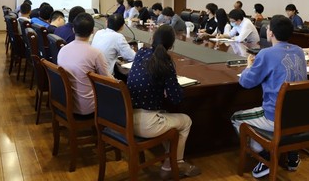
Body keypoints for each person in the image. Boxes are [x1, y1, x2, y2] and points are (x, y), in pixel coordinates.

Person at [231, 15, 307, 177]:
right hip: (300, 116)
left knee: (236, 118)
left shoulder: (266, 54)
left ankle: (267, 153)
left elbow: (246, 82)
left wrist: (249, 67)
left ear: (270, 33)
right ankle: (290, 151)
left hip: (275, 116)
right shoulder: (299, 51)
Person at [127, 25, 201, 179]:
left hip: (125, 118)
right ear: (172, 45)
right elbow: (176, 98)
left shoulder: (141, 53)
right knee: (185, 121)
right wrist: (172, 85)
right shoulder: (165, 62)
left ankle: (169, 162)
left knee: (167, 117)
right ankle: (176, 164)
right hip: (146, 124)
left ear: (152, 38)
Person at [56, 13, 110, 117]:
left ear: (73, 30)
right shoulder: (96, 53)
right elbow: (107, 79)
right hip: (87, 108)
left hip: (64, 102)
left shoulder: (62, 50)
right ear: (92, 31)